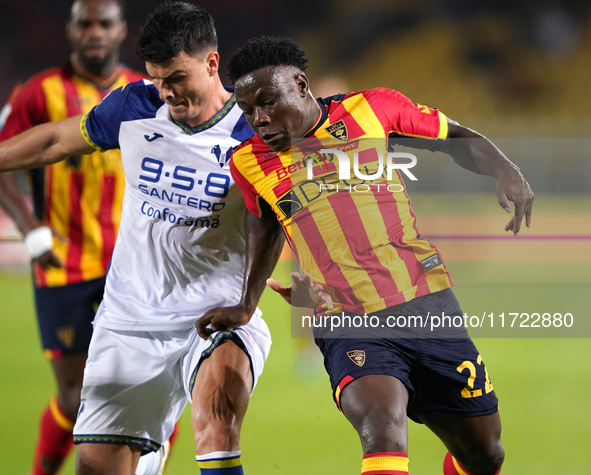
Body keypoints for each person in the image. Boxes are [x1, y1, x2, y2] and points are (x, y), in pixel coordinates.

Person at [226, 36, 534, 475]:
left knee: (485, 455)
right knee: (382, 428)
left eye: (268, 102)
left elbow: (454, 137)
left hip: (428, 306)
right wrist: (245, 303)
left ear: (300, 85)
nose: (259, 119)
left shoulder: (374, 109)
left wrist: (506, 168)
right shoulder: (249, 162)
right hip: (347, 319)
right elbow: (264, 228)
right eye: (248, 111)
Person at [0, 3, 283, 475]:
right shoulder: (134, 106)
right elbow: (53, 141)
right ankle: (148, 452)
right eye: (156, 78)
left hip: (216, 312)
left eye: (176, 77)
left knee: (217, 416)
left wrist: (253, 301)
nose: (166, 92)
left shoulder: (253, 130)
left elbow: (275, 219)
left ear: (212, 64)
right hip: (130, 318)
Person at [0, 1, 148, 474]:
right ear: (71, 29)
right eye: (85, 23)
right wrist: (29, 227)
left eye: (104, 23)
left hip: (131, 269)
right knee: (74, 392)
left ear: (121, 29)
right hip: (64, 264)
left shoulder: (142, 92)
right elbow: (5, 157)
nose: (95, 32)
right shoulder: (40, 91)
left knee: (148, 387)